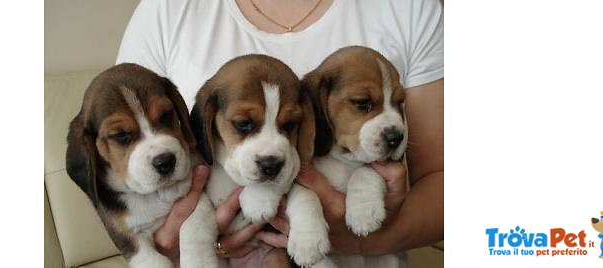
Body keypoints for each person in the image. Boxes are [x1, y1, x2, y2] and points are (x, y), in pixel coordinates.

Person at [115, 0, 444, 264]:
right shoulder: (166, 10)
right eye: (243, 125)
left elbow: (444, 179)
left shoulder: (410, 7)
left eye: (289, 125)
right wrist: (178, 244)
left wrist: (366, 241)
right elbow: (122, 155)